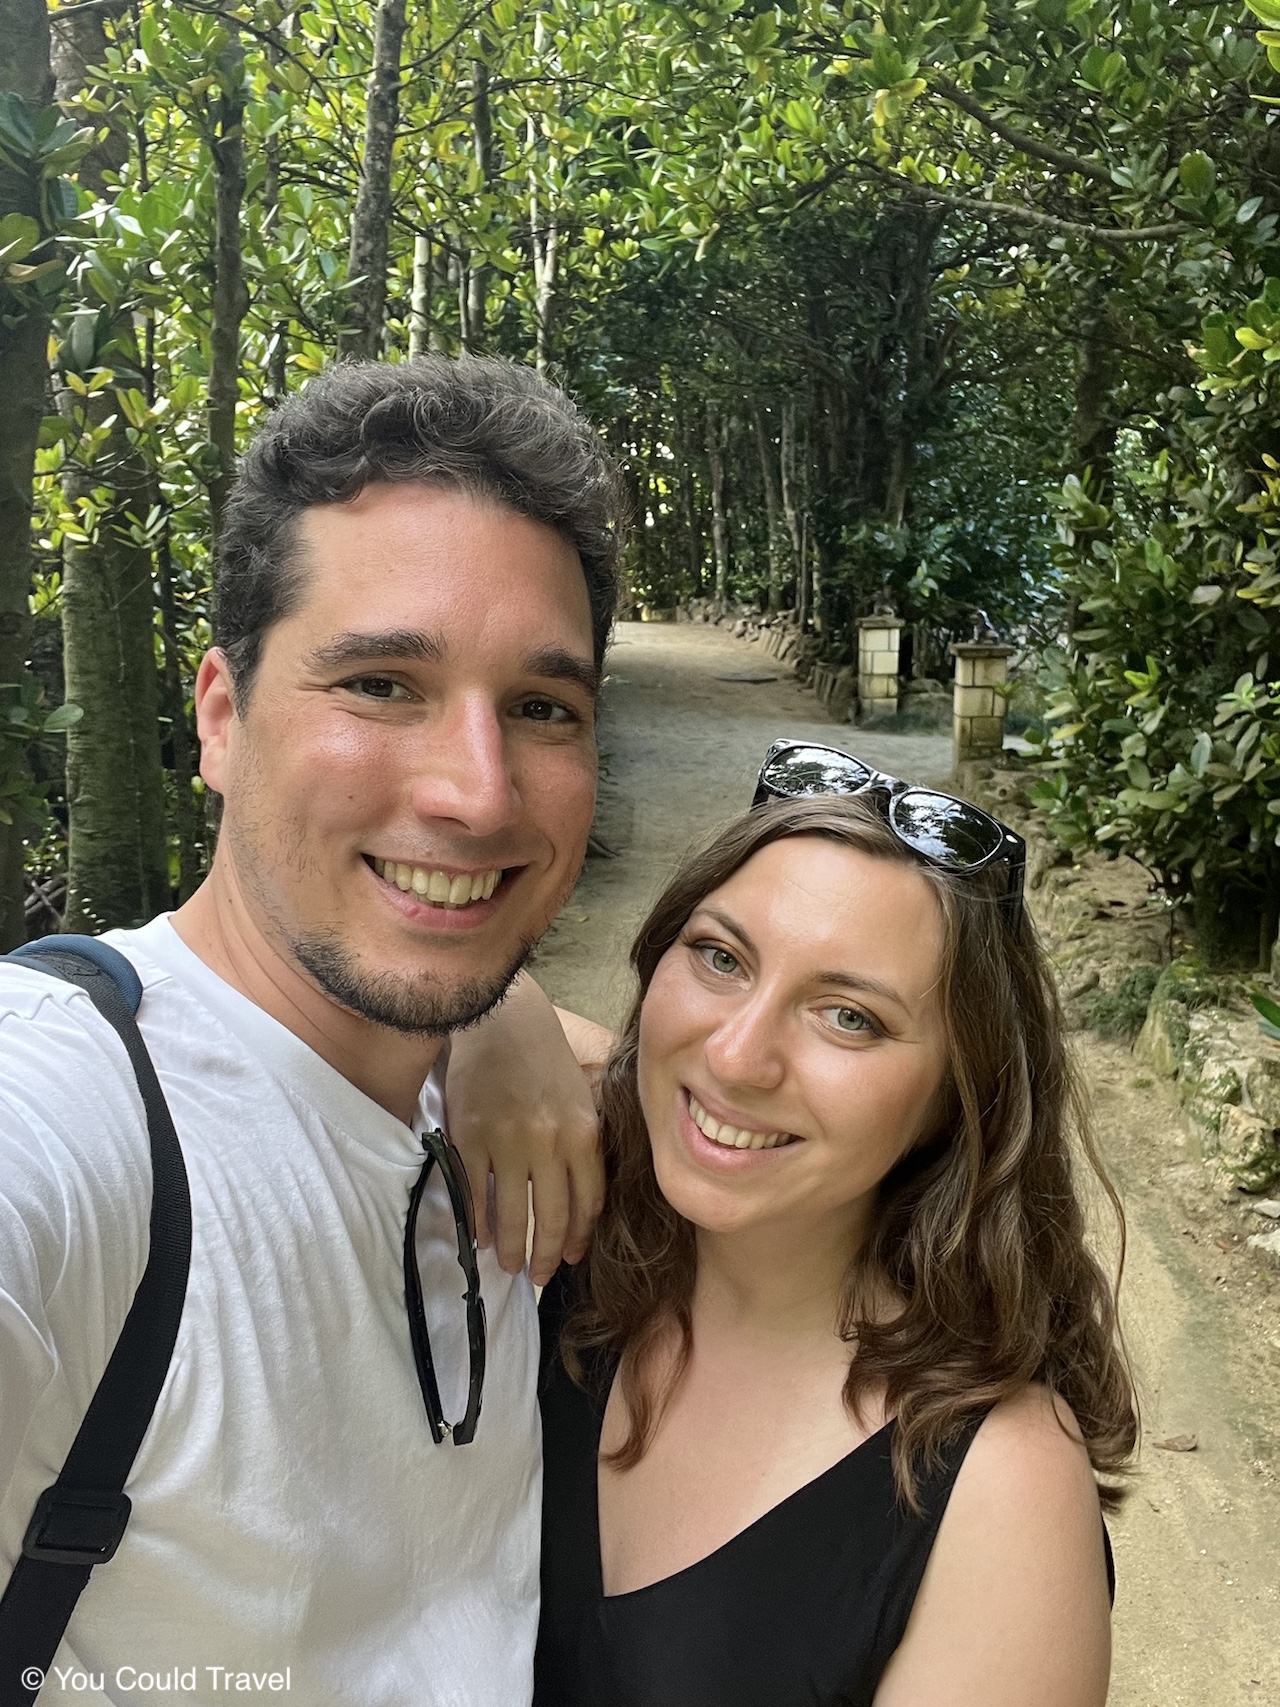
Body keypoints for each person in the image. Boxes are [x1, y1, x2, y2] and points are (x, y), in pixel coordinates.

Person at [0, 356, 627, 1703]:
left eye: (541, 706)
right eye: (383, 683)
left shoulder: (519, 1116)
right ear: (221, 717)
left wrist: (499, 1011)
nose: (477, 788)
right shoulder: (64, 1111)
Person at [535, 743, 1138, 1707]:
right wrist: (495, 1021)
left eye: (849, 1016)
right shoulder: (561, 1238)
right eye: (720, 956)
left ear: (959, 1097)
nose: (736, 1057)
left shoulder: (999, 1492)